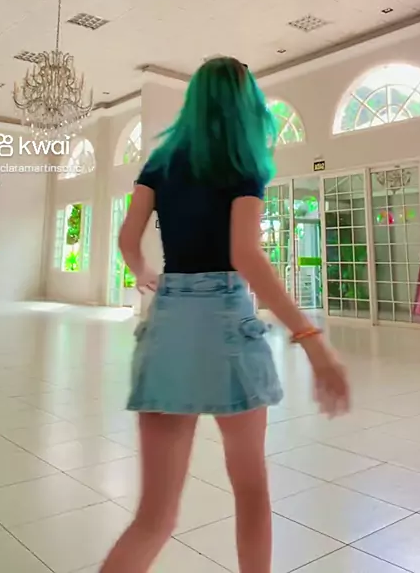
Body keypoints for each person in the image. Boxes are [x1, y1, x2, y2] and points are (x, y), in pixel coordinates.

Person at [100, 57, 349, 573]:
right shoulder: (243, 163)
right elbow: (246, 255)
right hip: (225, 323)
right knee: (251, 488)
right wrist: (312, 339)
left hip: (170, 322)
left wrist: (144, 272)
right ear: (245, 103)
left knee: (154, 517)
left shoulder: (161, 163)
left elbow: (127, 238)